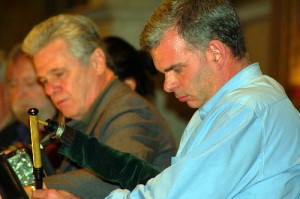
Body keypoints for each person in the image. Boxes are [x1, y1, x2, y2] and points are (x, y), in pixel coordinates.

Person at [32, 0, 300, 198]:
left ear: (215, 53)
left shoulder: (245, 110)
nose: (168, 85)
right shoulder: (232, 106)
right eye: (164, 73)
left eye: (176, 69)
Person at [22, 14, 176, 198]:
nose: (50, 89)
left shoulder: (131, 111)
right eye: (44, 80)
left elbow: (111, 179)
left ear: (97, 62)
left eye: (59, 74)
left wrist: (24, 188)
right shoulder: (86, 114)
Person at [0, 44, 61, 169]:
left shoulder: (68, 136)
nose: (19, 93)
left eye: (30, 83)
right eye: (13, 84)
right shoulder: (6, 139)